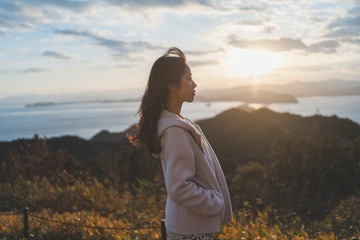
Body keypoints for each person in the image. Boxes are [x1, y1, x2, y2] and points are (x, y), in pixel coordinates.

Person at [130, 47, 232, 240]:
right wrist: (215, 202)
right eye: (188, 78)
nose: (194, 83)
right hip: (190, 230)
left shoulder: (176, 123)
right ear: (172, 86)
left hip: (190, 225)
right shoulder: (175, 131)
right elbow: (179, 187)